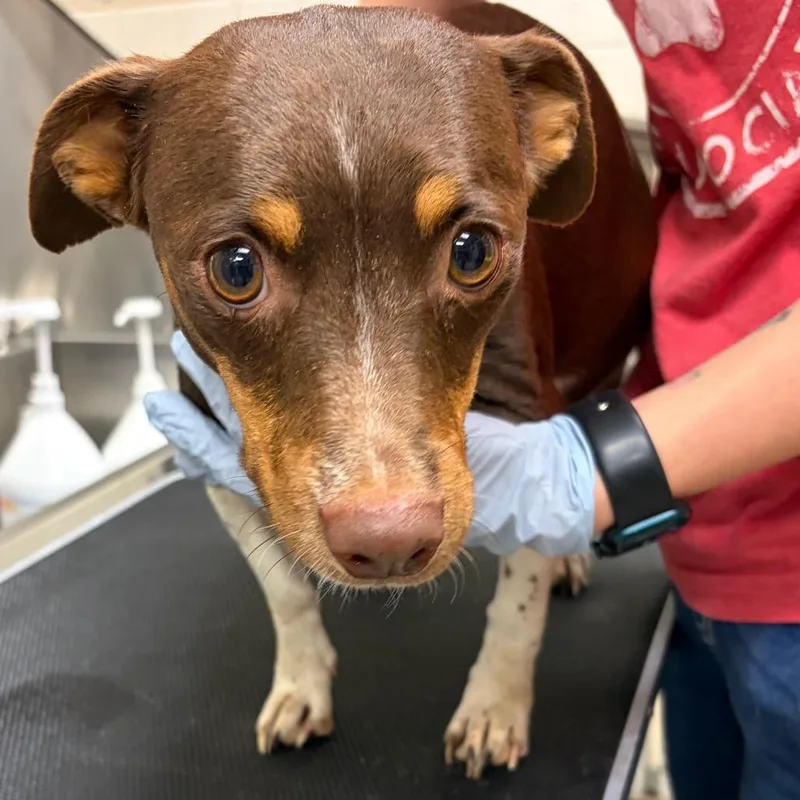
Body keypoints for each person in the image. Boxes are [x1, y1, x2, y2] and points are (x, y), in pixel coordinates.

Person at [143, 2, 800, 798]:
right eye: (237, 270)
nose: (384, 508)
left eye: (469, 254)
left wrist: (579, 479)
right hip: (697, 527)